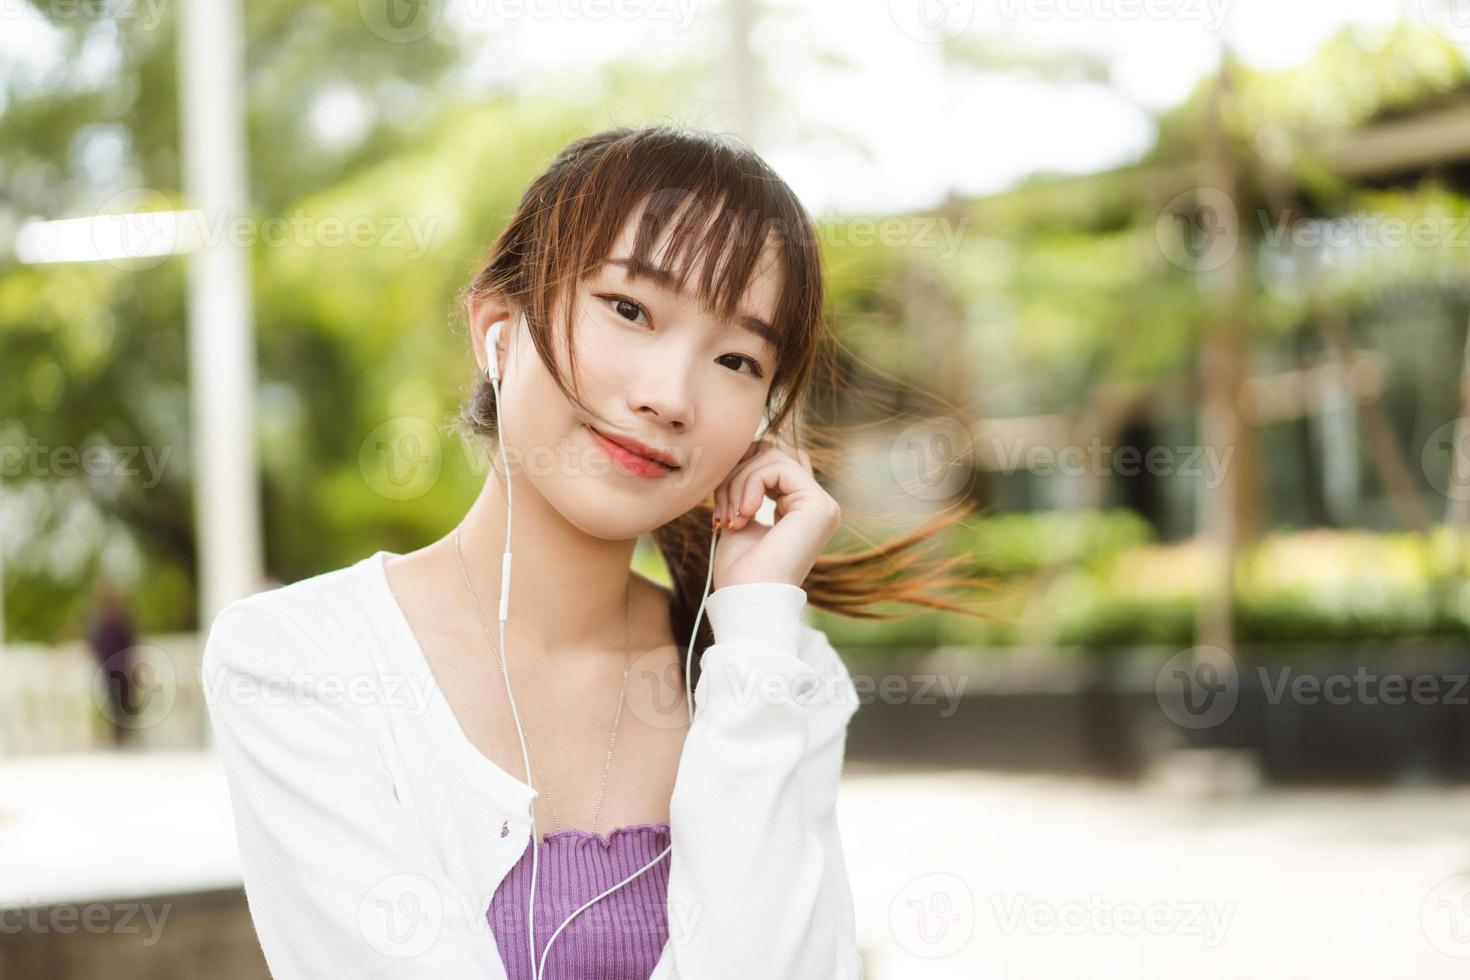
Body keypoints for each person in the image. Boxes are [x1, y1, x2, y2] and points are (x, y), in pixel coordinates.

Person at [202, 125, 987, 980]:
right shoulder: (297, 661)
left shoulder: (774, 674)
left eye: (735, 358)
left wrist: (755, 629)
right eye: (629, 309)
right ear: (498, 328)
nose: (669, 397)